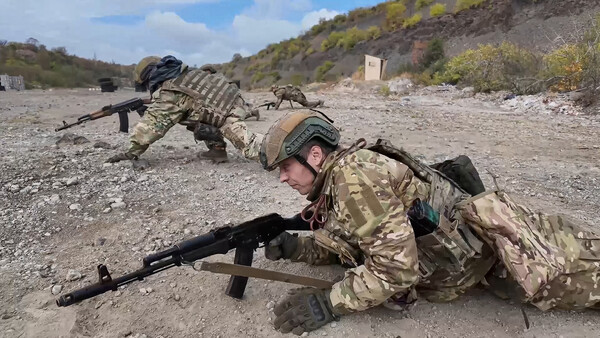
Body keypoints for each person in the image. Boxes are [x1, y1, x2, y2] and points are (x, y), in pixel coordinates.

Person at [258, 111, 600, 336]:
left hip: (506, 259)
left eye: (286, 167)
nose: (283, 178)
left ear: (314, 155)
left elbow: (395, 271)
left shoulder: (354, 179)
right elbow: (357, 244)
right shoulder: (339, 178)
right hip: (486, 246)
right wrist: (298, 247)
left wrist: (330, 302)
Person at [106, 56, 261, 164]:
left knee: (257, 150)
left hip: (228, 114)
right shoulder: (187, 74)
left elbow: (152, 126)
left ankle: (282, 153)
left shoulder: (170, 90)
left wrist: (131, 152)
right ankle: (217, 149)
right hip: (234, 101)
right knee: (192, 116)